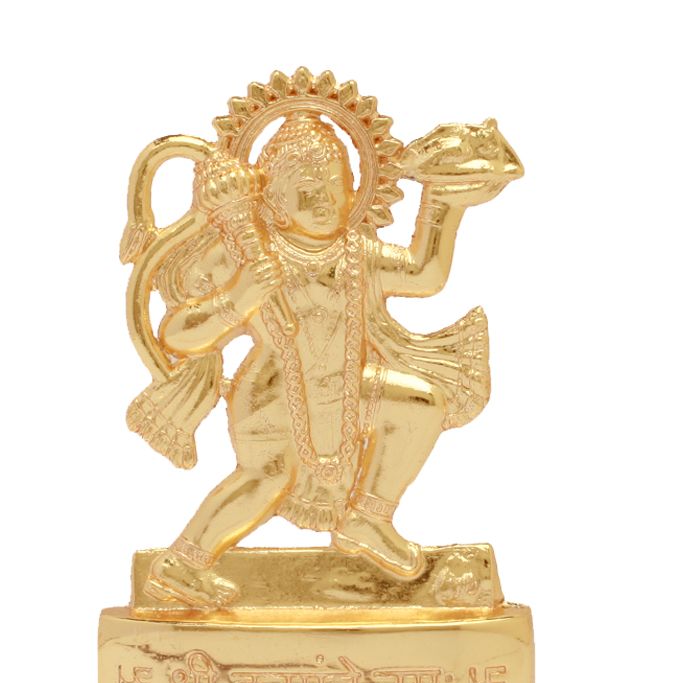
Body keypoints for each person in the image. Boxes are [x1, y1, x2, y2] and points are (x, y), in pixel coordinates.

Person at [144, 113, 493, 608]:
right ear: (273, 202)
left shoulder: (356, 253)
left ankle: (369, 517)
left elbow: (424, 273)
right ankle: (183, 563)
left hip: (346, 388)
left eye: (339, 183)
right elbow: (177, 334)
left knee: (421, 404)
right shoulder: (246, 255)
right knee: (264, 480)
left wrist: (443, 200)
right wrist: (238, 298)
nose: (328, 199)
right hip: (271, 400)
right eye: (309, 189)